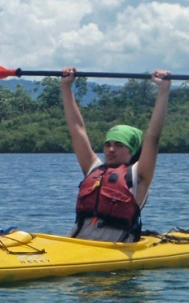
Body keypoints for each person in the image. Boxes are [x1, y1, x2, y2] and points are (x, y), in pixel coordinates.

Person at [61, 67, 172, 242]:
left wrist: (163, 90)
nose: (111, 149)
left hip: (114, 248)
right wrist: (66, 86)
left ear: (132, 150)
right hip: (76, 241)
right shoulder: (94, 169)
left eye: (119, 145)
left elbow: (153, 136)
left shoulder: (139, 176)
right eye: (108, 145)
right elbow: (77, 130)